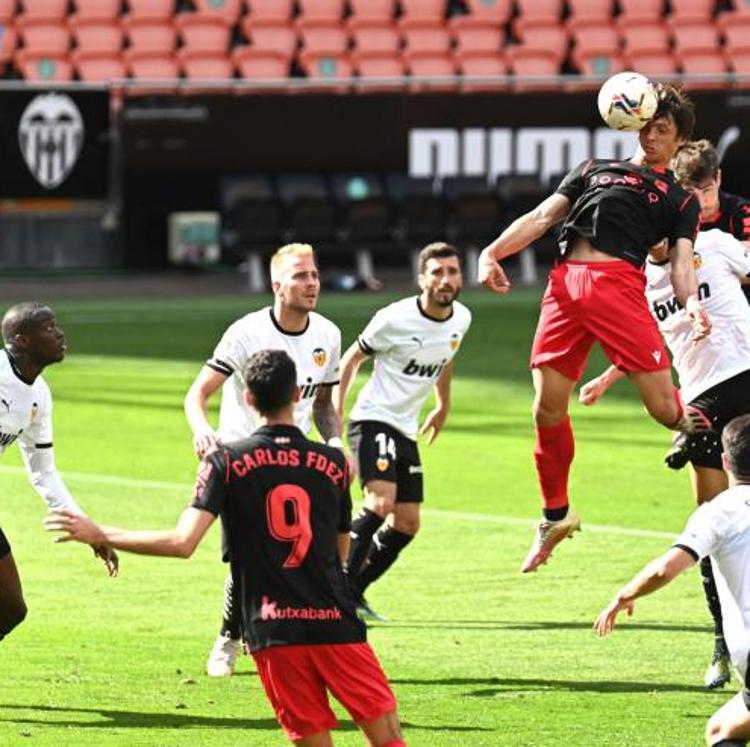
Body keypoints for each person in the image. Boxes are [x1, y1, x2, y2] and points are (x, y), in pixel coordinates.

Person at [47, 349, 406, 747]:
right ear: (298, 396)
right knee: (387, 737)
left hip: (273, 628)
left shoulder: (226, 461)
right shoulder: (334, 463)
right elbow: (339, 556)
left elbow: (182, 543)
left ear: (248, 399)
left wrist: (101, 532)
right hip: (333, 623)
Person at [477, 83, 712, 574]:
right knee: (545, 409)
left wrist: (690, 306)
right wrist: (493, 251)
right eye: (645, 126)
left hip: (618, 288)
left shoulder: (679, 198)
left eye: (661, 129)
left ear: (679, 141)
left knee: (668, 412)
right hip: (564, 286)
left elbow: (683, 264)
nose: (650, 136)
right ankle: (555, 514)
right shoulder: (593, 169)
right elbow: (543, 217)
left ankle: (726, 438)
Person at [580, 143, 750, 689]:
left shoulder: (720, 244)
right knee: (712, 524)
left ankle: (686, 431)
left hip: (740, 379)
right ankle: (724, 643)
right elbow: (646, 337)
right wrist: (608, 378)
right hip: (695, 392)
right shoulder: (643, 280)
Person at [184, 243, 345, 677]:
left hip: (301, 461)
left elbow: (325, 403)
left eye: (313, 275)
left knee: (307, 553)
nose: (311, 283)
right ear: (277, 285)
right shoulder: (246, 333)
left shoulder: (327, 334)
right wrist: (203, 431)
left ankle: (297, 636)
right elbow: (197, 394)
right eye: (299, 276)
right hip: (245, 459)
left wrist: (334, 442)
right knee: (248, 557)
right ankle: (228, 638)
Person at [594, 413, 750, 747]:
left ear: (725, 462)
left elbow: (666, 568)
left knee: (721, 732)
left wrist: (625, 594)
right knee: (725, 728)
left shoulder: (718, 512)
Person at [335, 242, 471, 619]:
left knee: (408, 523)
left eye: (453, 272)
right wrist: (337, 411)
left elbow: (446, 357)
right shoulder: (393, 319)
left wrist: (443, 405)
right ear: (421, 278)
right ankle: (337, 592)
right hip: (373, 417)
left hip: (405, 428)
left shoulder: (461, 318)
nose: (446, 280)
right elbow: (351, 358)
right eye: (438, 272)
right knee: (380, 502)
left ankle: (355, 591)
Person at [0, 302, 117, 641]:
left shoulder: (39, 396)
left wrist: (88, 529)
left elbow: (44, 474)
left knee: (10, 607)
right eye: (48, 328)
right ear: (21, 340)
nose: (60, 333)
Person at [672, 139, 750, 305]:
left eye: (707, 190)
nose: (701, 203)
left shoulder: (742, 212)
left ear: (719, 177)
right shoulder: (669, 219)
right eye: (691, 192)